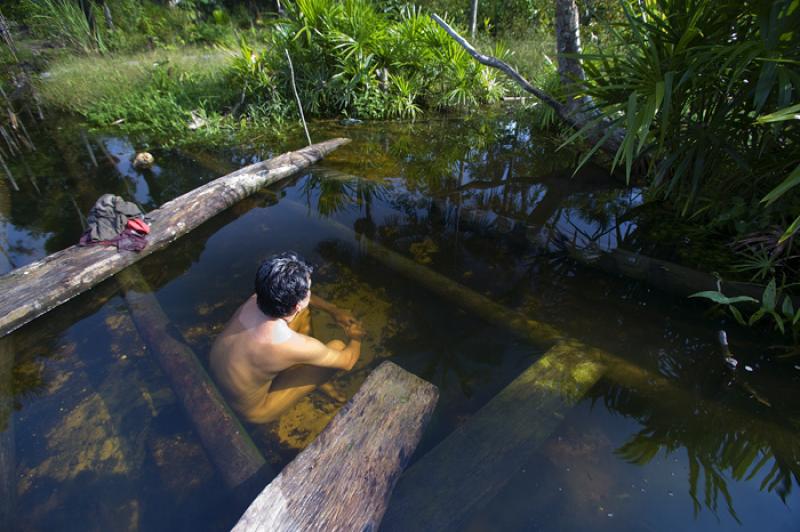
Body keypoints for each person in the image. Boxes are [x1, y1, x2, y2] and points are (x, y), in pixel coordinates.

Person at [210, 251, 364, 424]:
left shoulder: (257, 298)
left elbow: (302, 302)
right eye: (308, 289)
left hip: (219, 380)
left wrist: (333, 310)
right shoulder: (291, 345)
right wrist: (356, 336)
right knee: (338, 346)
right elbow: (347, 362)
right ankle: (313, 378)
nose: (309, 293)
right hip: (252, 410)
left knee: (303, 314)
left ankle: (304, 371)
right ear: (296, 303)